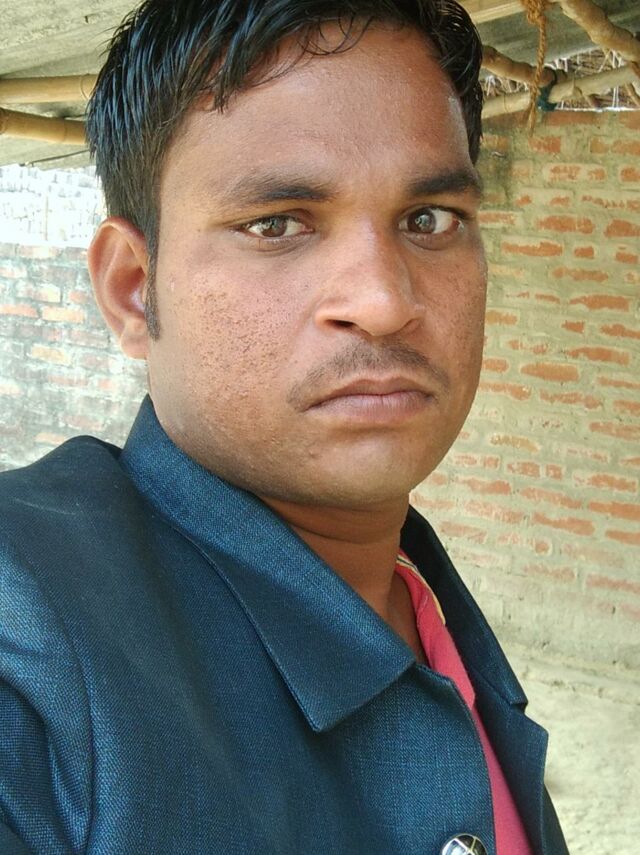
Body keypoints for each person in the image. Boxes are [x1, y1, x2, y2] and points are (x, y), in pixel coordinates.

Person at [0, 1, 569, 853]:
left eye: (429, 219)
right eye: (276, 225)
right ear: (133, 289)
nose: (383, 300)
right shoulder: (30, 643)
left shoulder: (416, 594)